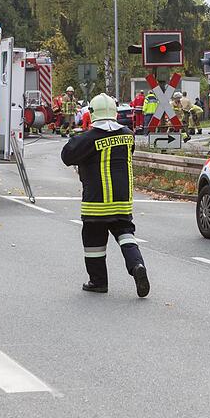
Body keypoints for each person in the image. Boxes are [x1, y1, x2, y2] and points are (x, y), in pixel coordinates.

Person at [61, 93, 150, 297]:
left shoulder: (89, 138)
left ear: (92, 114)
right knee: (126, 234)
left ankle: (98, 282)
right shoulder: (128, 134)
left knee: (93, 242)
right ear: (114, 112)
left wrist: (77, 138)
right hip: (122, 201)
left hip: (96, 202)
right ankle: (137, 265)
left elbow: (67, 156)